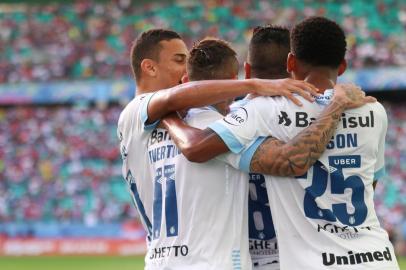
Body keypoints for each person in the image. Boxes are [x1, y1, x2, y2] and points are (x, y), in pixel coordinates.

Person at [163, 17, 400, 269]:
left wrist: (164, 111)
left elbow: (196, 147)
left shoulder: (262, 110)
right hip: (378, 257)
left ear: (291, 63)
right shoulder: (374, 111)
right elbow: (368, 183)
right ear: (342, 67)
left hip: (308, 260)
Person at [117, 28, 320, 269]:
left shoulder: (162, 123)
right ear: (149, 67)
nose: (184, 69)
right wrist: (256, 85)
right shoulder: (141, 112)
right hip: (213, 262)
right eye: (179, 60)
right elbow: (176, 106)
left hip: (161, 260)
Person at [243, 25, 292, 270]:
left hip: (242, 256)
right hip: (302, 254)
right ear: (294, 65)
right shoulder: (321, 115)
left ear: (247, 70)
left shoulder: (224, 120)